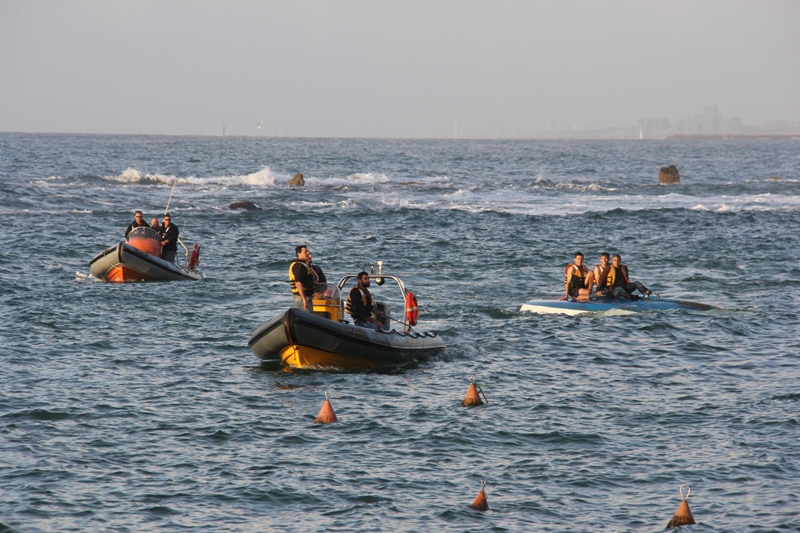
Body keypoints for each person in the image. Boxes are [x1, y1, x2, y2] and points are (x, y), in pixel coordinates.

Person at [289, 245, 319, 311]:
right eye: (305, 252)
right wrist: (304, 299)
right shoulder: (299, 266)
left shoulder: (302, 265)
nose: (308, 253)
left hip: (303, 298)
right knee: (307, 318)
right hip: (302, 298)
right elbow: (298, 283)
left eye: (308, 251)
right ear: (299, 254)